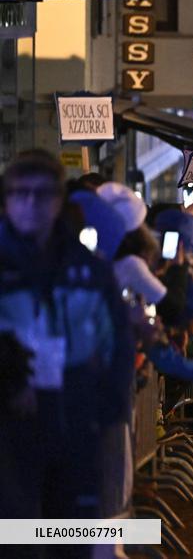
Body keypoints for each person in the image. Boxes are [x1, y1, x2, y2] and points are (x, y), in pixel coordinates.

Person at [0, 151, 133, 547]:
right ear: (6, 200)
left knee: (71, 541)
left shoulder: (91, 271)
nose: (30, 203)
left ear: (59, 201)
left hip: (77, 428)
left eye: (42, 194)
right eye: (20, 193)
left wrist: (107, 415)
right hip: (10, 433)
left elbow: (117, 346)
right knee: (17, 542)